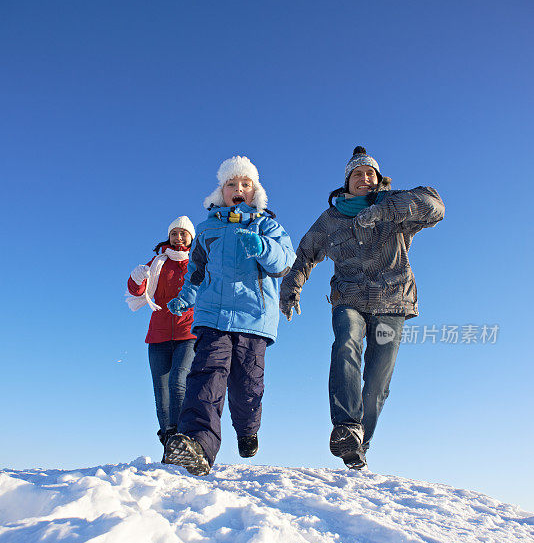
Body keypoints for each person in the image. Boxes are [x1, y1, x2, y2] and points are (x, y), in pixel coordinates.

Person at [279, 145, 445, 470]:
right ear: (347, 182)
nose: (364, 178)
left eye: (370, 173)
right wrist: (291, 288)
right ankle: (345, 426)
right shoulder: (331, 218)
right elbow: (306, 253)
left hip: (392, 302)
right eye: (358, 174)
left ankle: (357, 446)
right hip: (349, 298)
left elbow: (434, 206)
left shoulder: (394, 205)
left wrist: (385, 209)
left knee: (377, 385)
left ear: (378, 179)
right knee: (346, 342)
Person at [164, 156, 296, 476]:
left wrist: (263, 246)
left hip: (253, 318)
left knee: (247, 385)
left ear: (255, 191)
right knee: (206, 376)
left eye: (245, 184)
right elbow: (196, 272)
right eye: (231, 184)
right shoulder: (208, 229)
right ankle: (198, 445)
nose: (238, 189)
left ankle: (248, 429)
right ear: (221, 191)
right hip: (213, 316)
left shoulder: (267, 224)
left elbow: (284, 262)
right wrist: (185, 298)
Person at [126, 216, 196, 455]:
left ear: (191, 237)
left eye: (183, 234)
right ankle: (167, 439)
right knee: (161, 389)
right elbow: (137, 290)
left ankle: (180, 436)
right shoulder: (158, 262)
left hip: (188, 332)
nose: (178, 237)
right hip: (158, 334)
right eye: (174, 233)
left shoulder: (197, 262)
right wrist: (136, 278)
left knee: (178, 381)